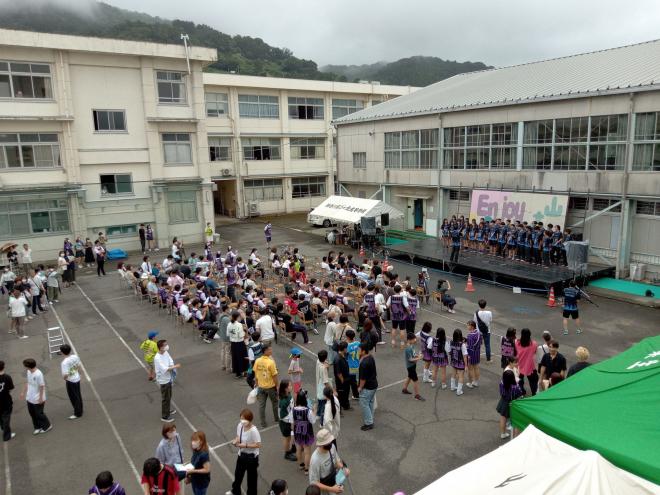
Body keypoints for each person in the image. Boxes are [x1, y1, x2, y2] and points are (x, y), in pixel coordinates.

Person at [227, 409, 261, 495]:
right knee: (238, 475)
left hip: (251, 457)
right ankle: (235, 491)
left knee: (252, 478)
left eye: (244, 419)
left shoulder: (254, 430)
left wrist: (245, 445)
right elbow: (238, 436)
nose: (242, 421)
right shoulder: (240, 426)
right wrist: (236, 441)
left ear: (250, 420)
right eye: (241, 418)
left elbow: (258, 445)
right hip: (241, 455)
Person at [308, 429, 349, 495]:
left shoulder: (332, 447)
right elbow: (314, 483)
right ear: (320, 444)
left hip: (333, 480)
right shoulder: (315, 460)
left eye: (330, 441)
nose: (330, 443)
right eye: (327, 443)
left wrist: (343, 468)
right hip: (324, 489)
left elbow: (336, 462)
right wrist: (332, 489)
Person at [20, 358, 52, 435]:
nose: (24, 367)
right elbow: (28, 382)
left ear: (28, 366)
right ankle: (37, 427)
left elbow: (42, 386)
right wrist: (23, 392)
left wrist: (41, 398)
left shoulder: (38, 374)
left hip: (37, 398)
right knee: (32, 413)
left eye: (25, 366)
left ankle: (47, 426)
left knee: (39, 413)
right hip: (30, 397)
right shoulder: (28, 372)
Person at [154, 340, 181, 422]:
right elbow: (164, 369)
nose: (167, 346)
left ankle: (167, 410)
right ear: (161, 347)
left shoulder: (165, 352)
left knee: (169, 396)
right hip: (163, 380)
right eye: (165, 345)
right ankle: (165, 416)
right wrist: (175, 366)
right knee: (165, 398)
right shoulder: (157, 358)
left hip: (168, 378)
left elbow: (170, 359)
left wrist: (172, 365)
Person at [254, 344, 279, 428]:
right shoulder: (270, 362)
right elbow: (274, 376)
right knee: (275, 403)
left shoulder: (257, 361)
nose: (271, 351)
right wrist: (277, 386)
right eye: (269, 350)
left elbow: (256, 373)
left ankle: (263, 423)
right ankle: (277, 418)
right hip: (270, 387)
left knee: (261, 405)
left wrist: (256, 384)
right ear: (265, 351)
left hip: (261, 387)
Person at [293, 390, 317, 474]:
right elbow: (313, 420)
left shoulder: (293, 410)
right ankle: (307, 469)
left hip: (297, 431)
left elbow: (291, 420)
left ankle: (300, 464)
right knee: (307, 451)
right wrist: (314, 410)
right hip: (307, 432)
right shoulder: (308, 410)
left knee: (298, 449)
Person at [496, 369, 523, 439]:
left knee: (503, 417)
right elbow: (520, 395)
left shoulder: (501, 383)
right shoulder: (515, 387)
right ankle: (514, 437)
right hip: (513, 404)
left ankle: (503, 433)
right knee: (514, 421)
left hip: (503, 402)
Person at [358, 342, 378, 431]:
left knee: (364, 403)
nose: (358, 351)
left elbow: (363, 379)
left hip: (367, 387)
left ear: (363, 351)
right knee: (370, 402)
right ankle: (370, 418)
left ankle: (369, 423)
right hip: (374, 384)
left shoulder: (363, 363)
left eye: (359, 350)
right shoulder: (371, 357)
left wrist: (360, 387)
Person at [60, 344, 83, 419]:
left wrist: (65, 377)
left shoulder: (64, 363)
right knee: (78, 395)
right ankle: (80, 409)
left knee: (73, 397)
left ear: (62, 352)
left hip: (71, 381)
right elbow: (78, 365)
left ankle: (77, 413)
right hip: (77, 378)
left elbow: (65, 375)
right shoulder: (75, 356)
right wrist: (80, 373)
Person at [515, 328, 539, 396]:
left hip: (519, 365)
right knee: (533, 381)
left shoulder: (517, 342)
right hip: (530, 366)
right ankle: (534, 393)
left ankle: (522, 392)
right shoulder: (533, 344)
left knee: (519, 380)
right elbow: (534, 352)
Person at [402, 333, 425, 401]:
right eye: (413, 339)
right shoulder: (408, 349)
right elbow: (410, 359)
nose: (415, 340)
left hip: (412, 366)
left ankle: (404, 389)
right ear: (409, 340)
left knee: (409, 377)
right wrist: (419, 358)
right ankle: (417, 395)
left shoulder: (411, 346)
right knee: (415, 380)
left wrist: (418, 355)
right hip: (410, 367)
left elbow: (413, 355)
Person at [278, 379, 297, 461]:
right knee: (287, 438)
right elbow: (282, 416)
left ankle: (291, 449)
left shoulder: (288, 395)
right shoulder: (283, 401)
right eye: (289, 385)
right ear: (285, 388)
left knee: (289, 437)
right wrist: (291, 420)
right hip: (285, 423)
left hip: (289, 420)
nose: (291, 386)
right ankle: (287, 453)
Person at [187, 431, 211, 495]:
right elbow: (194, 462)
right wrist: (189, 477)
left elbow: (207, 469)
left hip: (201, 483)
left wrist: (193, 471)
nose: (192, 442)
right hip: (195, 480)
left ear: (201, 441)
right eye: (192, 440)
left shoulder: (204, 454)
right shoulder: (196, 449)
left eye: (195, 440)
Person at [448, 329, 468, 396]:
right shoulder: (462, 345)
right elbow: (465, 356)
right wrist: (466, 366)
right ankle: (459, 391)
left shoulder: (451, 342)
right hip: (460, 363)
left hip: (454, 361)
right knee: (461, 376)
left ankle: (452, 387)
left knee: (453, 374)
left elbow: (449, 352)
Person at [228, 311, 247, 378]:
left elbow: (228, 334)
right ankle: (244, 372)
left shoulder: (229, 324)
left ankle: (237, 373)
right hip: (240, 343)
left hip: (233, 343)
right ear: (238, 317)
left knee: (235, 358)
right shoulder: (239, 325)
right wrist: (245, 331)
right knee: (243, 357)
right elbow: (241, 335)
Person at [0, 361, 15, 441]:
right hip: (5, 400)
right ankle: (7, 436)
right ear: (4, 367)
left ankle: (2, 427)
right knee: (6, 417)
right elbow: (10, 389)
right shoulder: (7, 377)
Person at [316, 350, 332, 425]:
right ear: (325, 357)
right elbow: (326, 382)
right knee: (324, 408)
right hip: (323, 389)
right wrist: (332, 390)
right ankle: (322, 423)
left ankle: (318, 414)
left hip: (319, 385)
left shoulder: (318, 362)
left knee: (320, 403)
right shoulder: (323, 368)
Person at [333, 342, 351, 410]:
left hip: (346, 378)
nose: (347, 349)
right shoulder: (338, 359)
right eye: (347, 348)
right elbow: (338, 373)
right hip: (341, 381)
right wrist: (342, 381)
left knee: (346, 393)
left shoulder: (344, 355)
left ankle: (346, 405)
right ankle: (339, 409)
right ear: (344, 349)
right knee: (341, 394)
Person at [465, 320, 482, 388]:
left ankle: (470, 382)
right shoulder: (478, 333)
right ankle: (476, 382)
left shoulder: (470, 335)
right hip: (477, 352)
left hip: (471, 353)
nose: (467, 326)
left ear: (472, 326)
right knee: (476, 367)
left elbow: (470, 347)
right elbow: (481, 343)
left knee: (470, 369)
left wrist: (467, 354)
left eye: (468, 325)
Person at [345, 330, 360, 400]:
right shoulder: (358, 343)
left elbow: (345, 355)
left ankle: (356, 394)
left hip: (350, 365)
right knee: (355, 379)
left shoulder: (347, 346)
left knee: (352, 381)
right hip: (357, 363)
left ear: (347, 337)